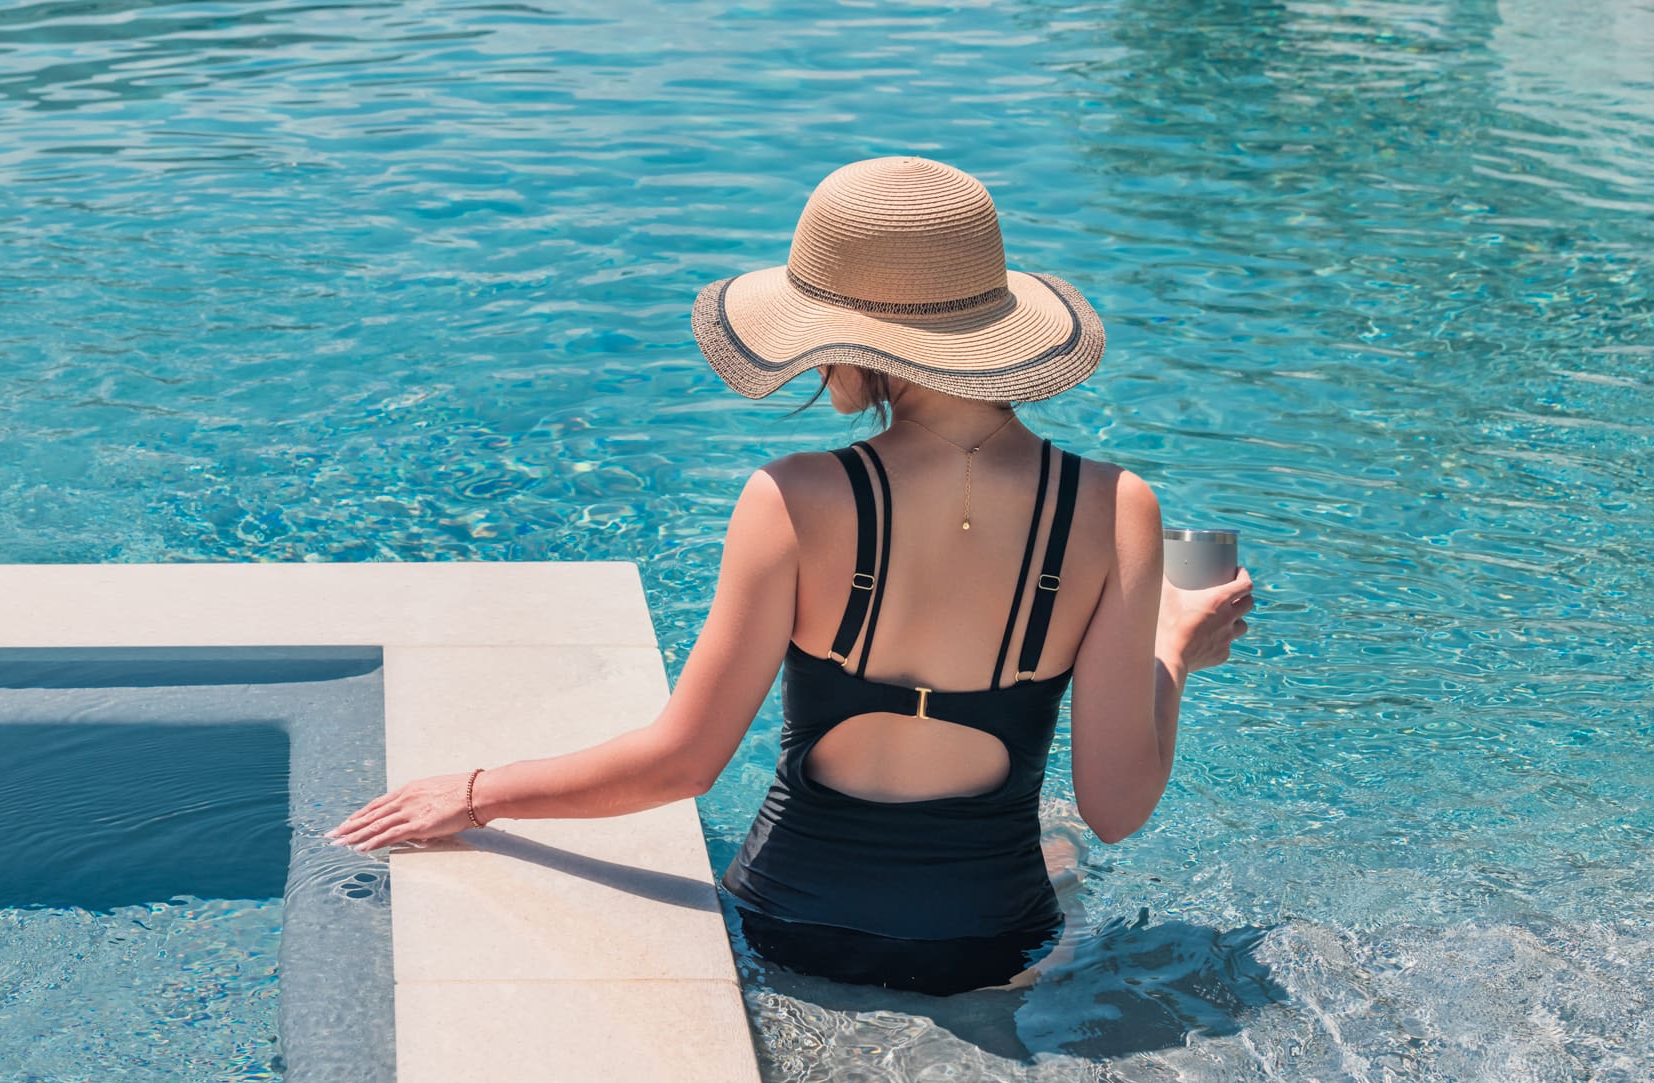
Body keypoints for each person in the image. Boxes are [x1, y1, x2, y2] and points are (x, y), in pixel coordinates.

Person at [330, 156, 1255, 997]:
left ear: (858, 339)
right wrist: (1173, 650)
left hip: (788, 928)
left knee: (1054, 842)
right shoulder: (1113, 507)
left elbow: (682, 762)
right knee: (1063, 843)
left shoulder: (795, 498)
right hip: (993, 942)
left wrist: (477, 792)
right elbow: (1117, 805)